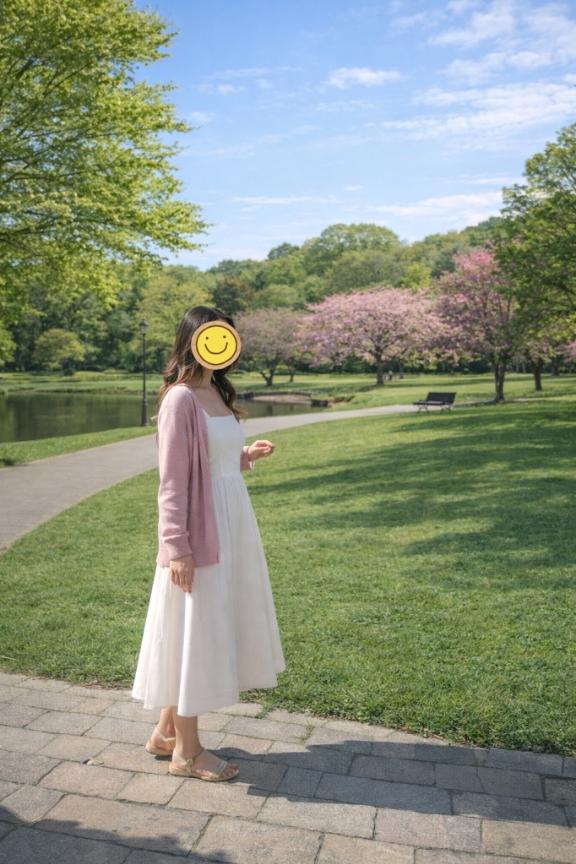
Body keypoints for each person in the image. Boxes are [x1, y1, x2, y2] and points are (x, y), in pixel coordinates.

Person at [130, 305, 286, 782]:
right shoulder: (179, 400)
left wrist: (244, 455)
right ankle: (188, 753)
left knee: (198, 629)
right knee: (194, 633)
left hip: (232, 522)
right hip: (200, 532)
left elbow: (211, 460)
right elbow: (172, 482)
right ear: (194, 340)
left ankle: (165, 734)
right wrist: (177, 548)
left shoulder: (215, 390)